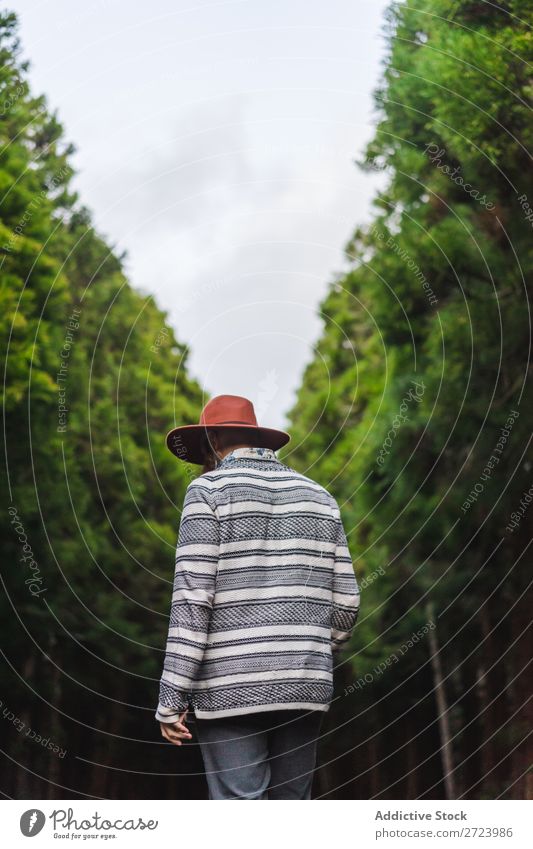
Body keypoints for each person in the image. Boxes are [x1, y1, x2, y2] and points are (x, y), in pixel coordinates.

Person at [155, 394, 360, 799]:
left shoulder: (207, 492)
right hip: (305, 684)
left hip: (230, 683)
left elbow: (193, 603)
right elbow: (347, 602)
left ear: (213, 441)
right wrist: (307, 651)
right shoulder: (320, 496)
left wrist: (172, 696)